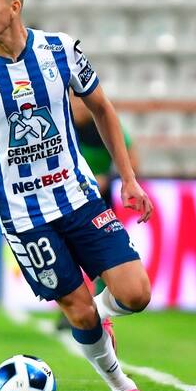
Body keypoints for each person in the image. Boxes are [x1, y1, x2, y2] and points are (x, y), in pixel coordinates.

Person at [0, 0, 153, 391]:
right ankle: (122, 387)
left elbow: (102, 109)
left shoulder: (62, 51)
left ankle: (103, 315)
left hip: (78, 196)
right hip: (23, 216)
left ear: (14, 6)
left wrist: (128, 177)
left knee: (136, 293)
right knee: (78, 311)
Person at [56, 98, 141, 337]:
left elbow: (132, 161)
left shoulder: (103, 124)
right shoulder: (62, 123)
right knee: (67, 255)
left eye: (80, 100)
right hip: (67, 199)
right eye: (73, 100)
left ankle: (98, 310)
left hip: (98, 200)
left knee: (102, 257)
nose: (76, 105)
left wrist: (109, 177)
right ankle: (74, 309)